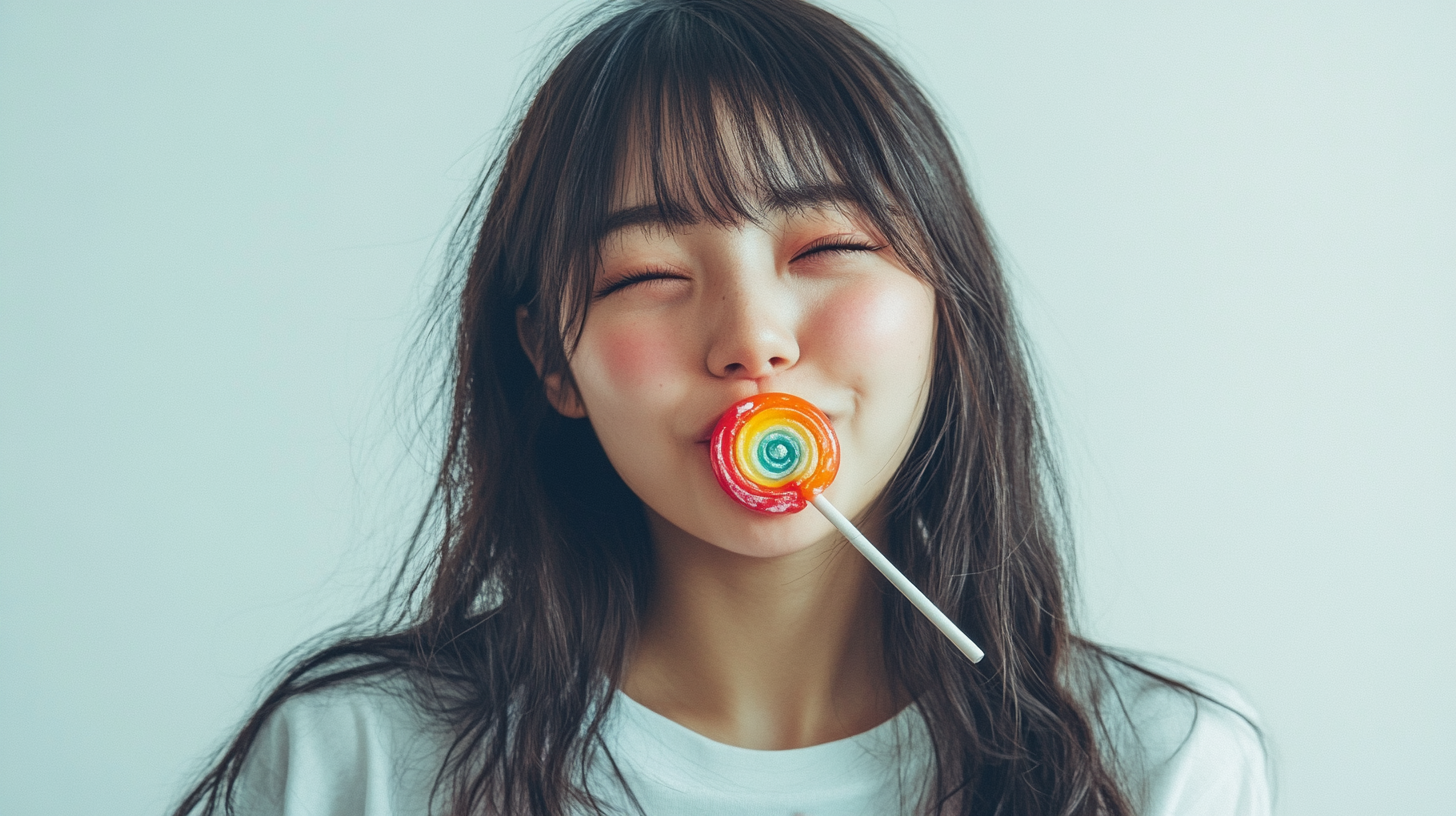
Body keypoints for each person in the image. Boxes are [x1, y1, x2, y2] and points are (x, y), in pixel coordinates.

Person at [172, 1, 1271, 814]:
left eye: (831, 246)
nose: (752, 338)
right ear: (549, 360)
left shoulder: (1156, 768)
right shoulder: (354, 765)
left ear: (949, 307)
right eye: (645, 273)